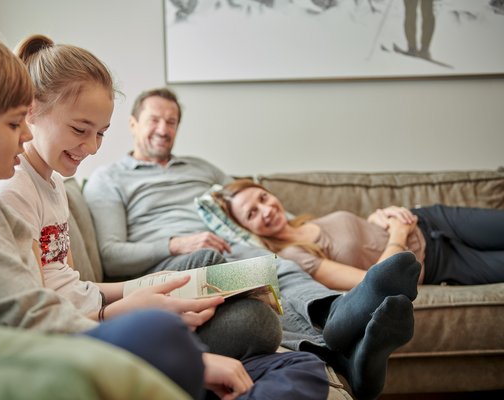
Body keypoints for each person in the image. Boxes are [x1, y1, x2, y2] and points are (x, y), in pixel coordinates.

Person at [0, 26, 251, 400]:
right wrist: (118, 315)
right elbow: (27, 316)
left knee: (179, 327)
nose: (24, 135)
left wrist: (134, 294)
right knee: (161, 335)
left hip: (57, 333)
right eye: (13, 123)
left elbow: (48, 291)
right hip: (26, 354)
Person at [0, 33, 335, 400]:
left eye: (100, 134)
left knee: (295, 354)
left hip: (108, 315)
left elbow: (72, 284)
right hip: (93, 335)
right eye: (80, 130)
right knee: (258, 324)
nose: (91, 147)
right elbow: (33, 316)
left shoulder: (54, 184)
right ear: (31, 109)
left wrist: (148, 285)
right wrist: (121, 310)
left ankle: (313, 334)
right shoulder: (15, 190)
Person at [83, 87, 421, 400]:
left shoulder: (201, 168)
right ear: (132, 123)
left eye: (171, 121)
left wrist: (323, 228)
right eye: (154, 120)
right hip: (173, 266)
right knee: (239, 272)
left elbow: (248, 201)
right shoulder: (109, 178)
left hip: (228, 251)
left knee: (274, 264)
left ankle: (332, 311)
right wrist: (175, 244)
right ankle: (343, 348)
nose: (163, 129)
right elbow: (112, 256)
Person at [212, 179, 504, 291]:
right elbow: (374, 280)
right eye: (251, 213)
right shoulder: (296, 257)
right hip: (439, 264)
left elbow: (360, 238)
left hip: (432, 218)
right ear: (246, 228)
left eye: (262, 198)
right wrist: (398, 237)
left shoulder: (306, 222)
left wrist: (379, 217)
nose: (265, 210)